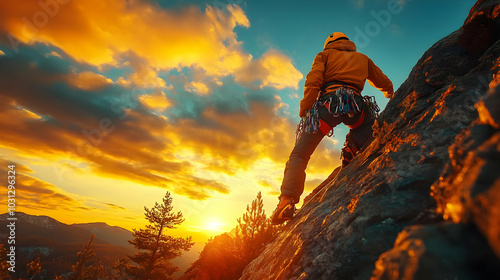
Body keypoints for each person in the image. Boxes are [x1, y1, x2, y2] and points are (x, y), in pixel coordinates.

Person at [271, 32, 394, 225]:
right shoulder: (363, 59)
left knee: (300, 155)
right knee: (365, 125)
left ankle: (286, 201)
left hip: (329, 106)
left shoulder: (324, 55)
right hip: (357, 106)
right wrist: (390, 93)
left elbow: (314, 80)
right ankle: (352, 147)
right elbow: (382, 81)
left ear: (328, 44)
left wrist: (306, 107)